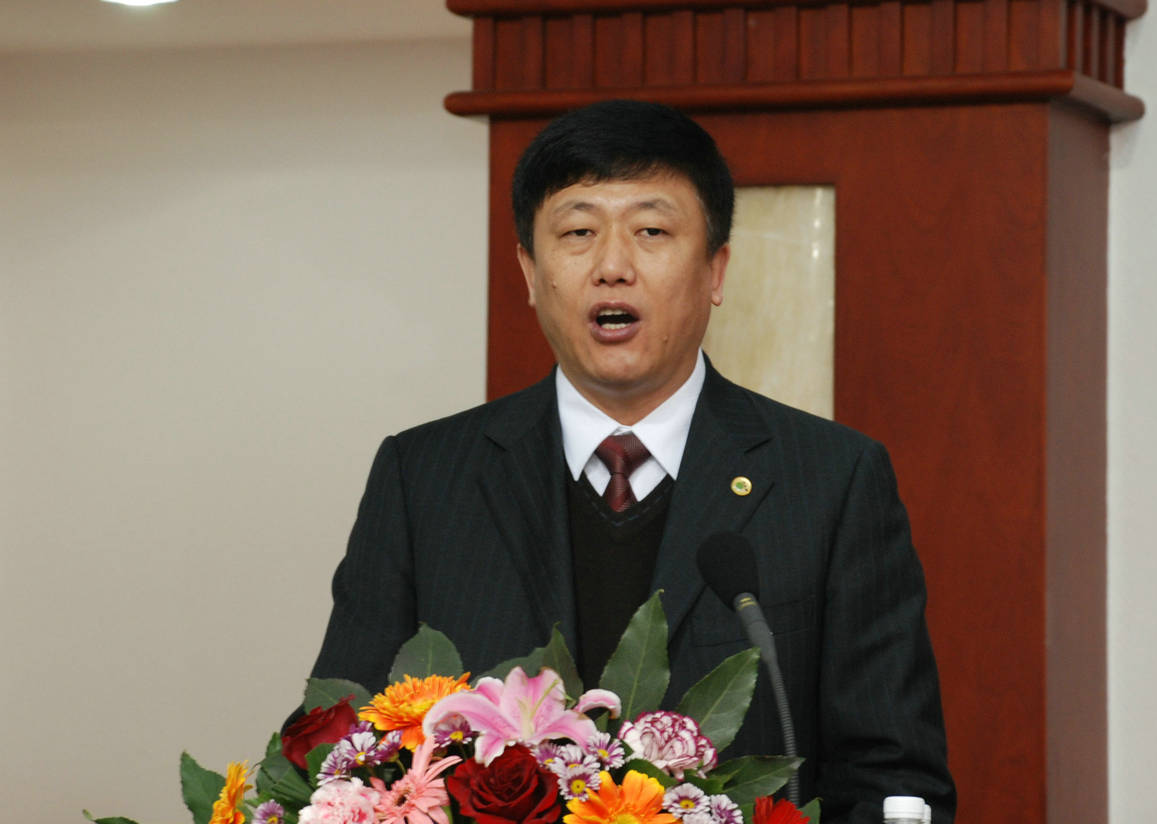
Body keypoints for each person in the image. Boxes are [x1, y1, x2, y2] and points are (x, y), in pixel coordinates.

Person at [303, 99, 955, 823]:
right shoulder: (424, 478)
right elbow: (336, 755)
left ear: (715, 270)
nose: (613, 266)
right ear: (529, 270)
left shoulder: (832, 481)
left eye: (652, 231)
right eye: (578, 232)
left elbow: (894, 781)